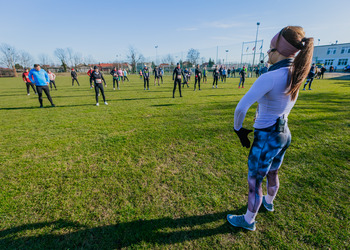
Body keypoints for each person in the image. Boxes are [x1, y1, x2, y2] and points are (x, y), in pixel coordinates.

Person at [227, 26, 313, 231]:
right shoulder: (297, 72)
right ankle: (269, 202)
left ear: (281, 51)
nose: (267, 53)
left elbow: (241, 108)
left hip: (267, 135)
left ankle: (248, 220)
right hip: (284, 133)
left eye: (271, 49)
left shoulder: (270, 77)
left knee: (255, 180)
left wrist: (238, 129)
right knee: (273, 172)